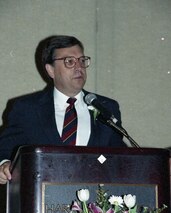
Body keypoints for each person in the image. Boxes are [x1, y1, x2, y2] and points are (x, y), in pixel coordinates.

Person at [0, 35, 126, 185]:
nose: (79, 67)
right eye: (70, 62)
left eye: (82, 60)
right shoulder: (27, 109)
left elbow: (120, 155)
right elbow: (5, 149)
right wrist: (3, 165)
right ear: (50, 70)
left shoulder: (106, 107)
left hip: (94, 201)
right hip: (43, 198)